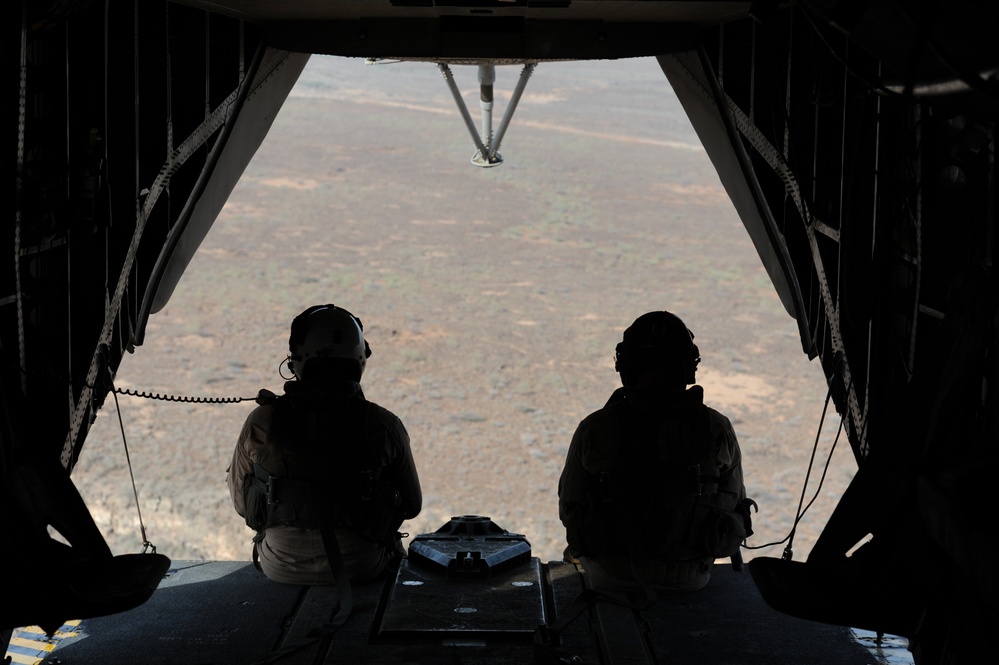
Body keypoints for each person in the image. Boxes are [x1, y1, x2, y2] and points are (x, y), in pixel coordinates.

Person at [558, 310, 754, 592]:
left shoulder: (596, 427)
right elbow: (734, 501)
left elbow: (569, 507)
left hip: (611, 576)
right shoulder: (716, 427)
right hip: (691, 577)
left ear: (625, 366)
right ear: (688, 368)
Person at [228, 304, 422, 586]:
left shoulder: (262, 421)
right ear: (359, 360)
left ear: (295, 362)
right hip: (363, 566)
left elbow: (241, 504)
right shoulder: (383, 424)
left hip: (280, 565)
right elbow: (412, 504)